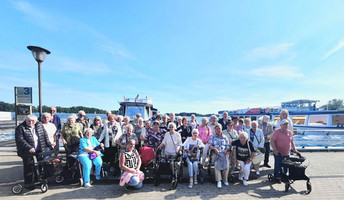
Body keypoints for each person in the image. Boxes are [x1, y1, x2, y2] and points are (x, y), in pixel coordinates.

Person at [15, 114, 53, 189]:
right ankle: (29, 184)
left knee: (39, 165)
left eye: (33, 121)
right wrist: (29, 147)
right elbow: (20, 140)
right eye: (29, 121)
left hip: (39, 148)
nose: (31, 122)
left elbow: (44, 135)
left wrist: (49, 144)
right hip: (26, 151)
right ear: (26, 120)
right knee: (29, 167)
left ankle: (37, 181)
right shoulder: (20, 128)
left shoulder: (39, 125)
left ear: (36, 121)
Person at [209, 124, 230, 188]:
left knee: (227, 165)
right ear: (215, 130)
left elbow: (228, 145)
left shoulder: (225, 137)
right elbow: (210, 145)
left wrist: (226, 150)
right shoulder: (212, 137)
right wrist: (215, 149)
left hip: (224, 153)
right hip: (216, 154)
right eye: (217, 129)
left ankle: (225, 180)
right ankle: (219, 180)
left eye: (219, 129)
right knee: (216, 164)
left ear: (221, 129)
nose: (218, 130)